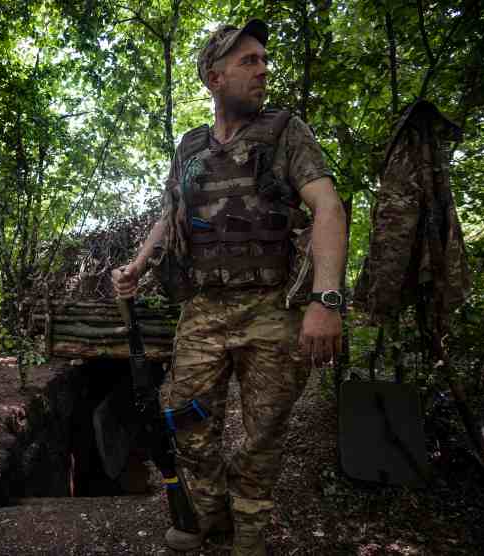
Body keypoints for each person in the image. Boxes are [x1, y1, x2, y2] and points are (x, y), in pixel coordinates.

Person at [112, 19, 346, 556]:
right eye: (249, 61)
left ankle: (251, 530)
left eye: (264, 59)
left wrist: (325, 300)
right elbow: (170, 213)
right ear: (214, 77)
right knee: (186, 415)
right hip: (204, 310)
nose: (263, 69)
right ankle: (208, 511)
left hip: (272, 310)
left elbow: (328, 207)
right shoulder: (189, 146)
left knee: (264, 433)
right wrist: (137, 265)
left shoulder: (286, 131)